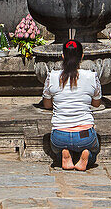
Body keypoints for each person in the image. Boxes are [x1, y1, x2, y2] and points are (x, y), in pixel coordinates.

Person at [41, 40, 102, 170]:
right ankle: (87, 155)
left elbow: (46, 105)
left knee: (56, 150)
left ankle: (64, 154)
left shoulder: (52, 77)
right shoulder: (91, 76)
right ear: (82, 56)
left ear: (63, 56)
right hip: (85, 135)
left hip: (60, 135)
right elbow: (97, 104)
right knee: (94, 149)